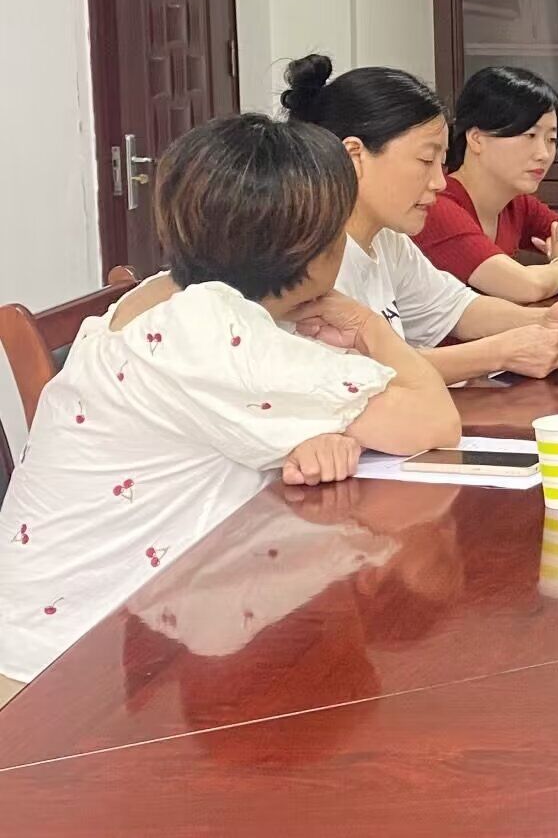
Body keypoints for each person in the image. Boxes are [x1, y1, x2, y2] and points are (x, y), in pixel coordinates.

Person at [0, 113, 460, 702]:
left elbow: (243, 420)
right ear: (309, 251)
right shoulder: (215, 331)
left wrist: (321, 432)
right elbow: (434, 421)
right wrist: (372, 327)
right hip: (57, 672)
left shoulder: (166, 294)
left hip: (88, 623)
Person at [281, 55, 558, 382]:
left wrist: (548, 321)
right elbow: (359, 376)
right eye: (426, 160)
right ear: (354, 156)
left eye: (441, 163)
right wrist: (503, 352)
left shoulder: (388, 240)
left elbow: (456, 309)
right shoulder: (303, 256)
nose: (440, 183)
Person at [417, 66, 558, 302]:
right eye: (529, 136)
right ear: (476, 139)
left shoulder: (517, 204)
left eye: (551, 139)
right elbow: (528, 287)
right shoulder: (437, 206)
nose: (543, 154)